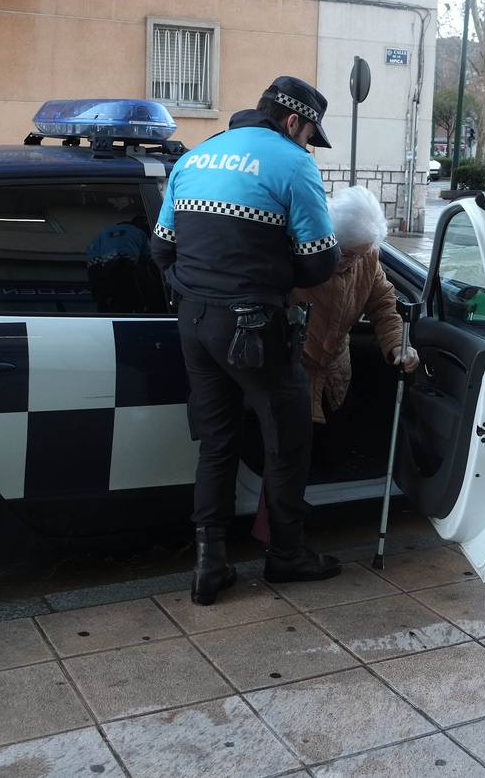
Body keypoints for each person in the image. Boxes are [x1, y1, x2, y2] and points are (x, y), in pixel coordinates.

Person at [150, 76, 343, 606]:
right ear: (292, 122)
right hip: (255, 327)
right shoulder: (292, 161)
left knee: (216, 444)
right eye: (308, 134)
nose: (307, 144)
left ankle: (209, 566)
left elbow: (162, 249)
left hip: (194, 323)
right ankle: (286, 555)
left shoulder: (197, 156)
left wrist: (198, 290)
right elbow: (322, 261)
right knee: (287, 439)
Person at [295, 186, 419, 430]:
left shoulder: (367, 258)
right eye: (346, 253)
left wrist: (397, 344)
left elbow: (383, 303)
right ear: (328, 239)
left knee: (335, 443)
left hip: (336, 373)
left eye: (360, 255)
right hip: (297, 372)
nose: (352, 261)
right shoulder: (299, 255)